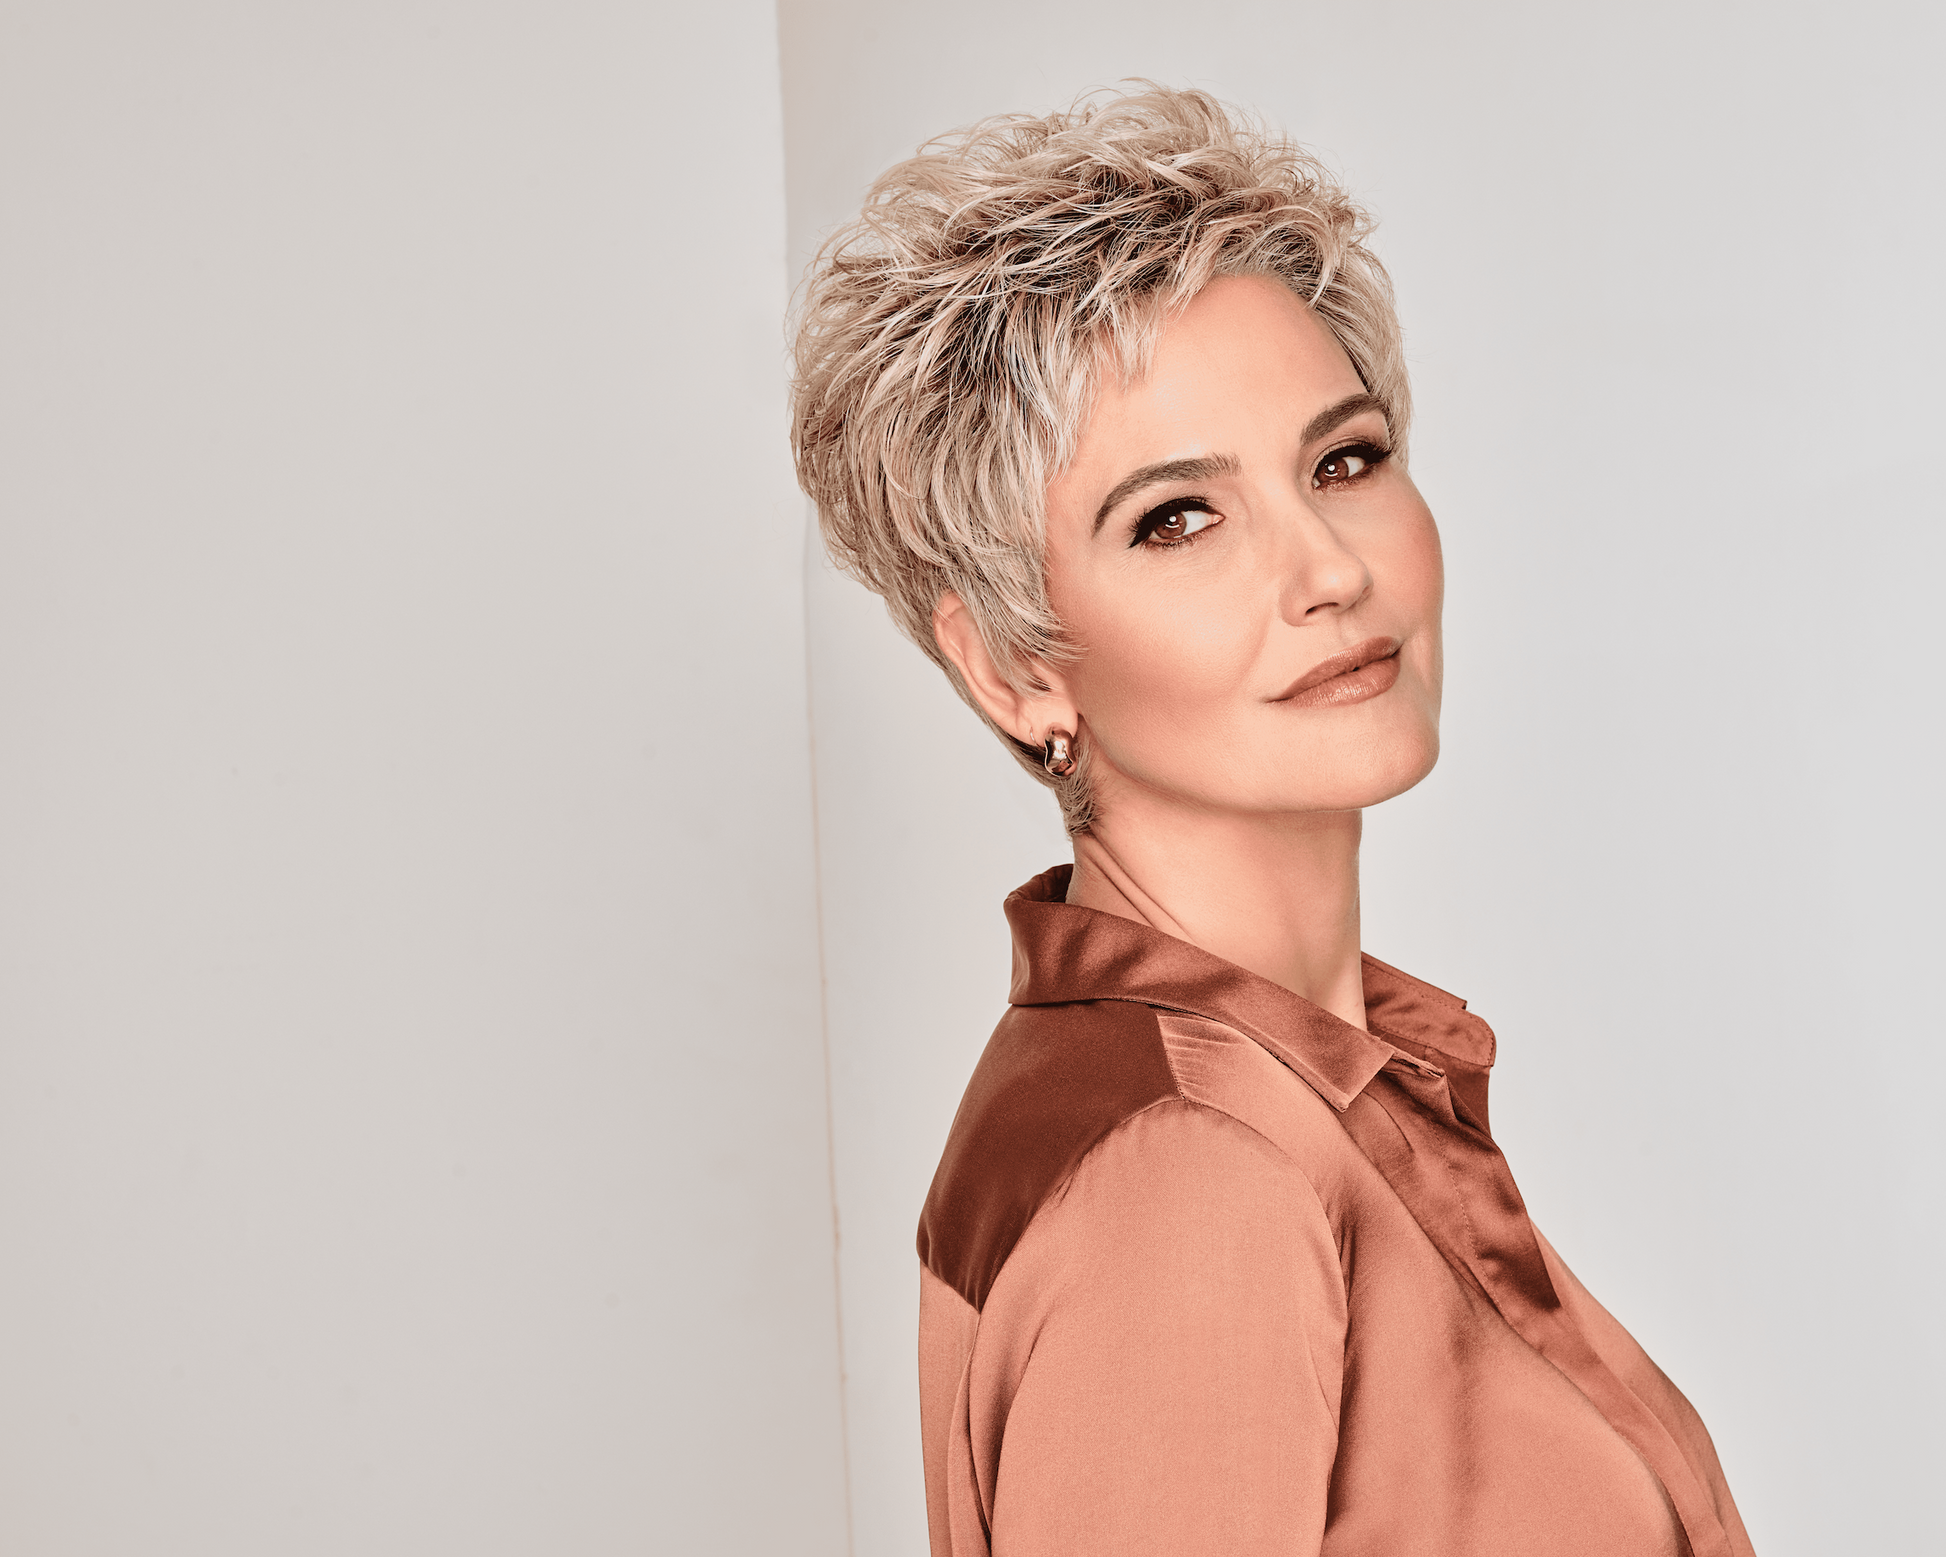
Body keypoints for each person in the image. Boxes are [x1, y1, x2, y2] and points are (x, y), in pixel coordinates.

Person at [790, 85, 1753, 1557]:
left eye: (1343, 461)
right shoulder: (1188, 1171)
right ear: (1013, 667)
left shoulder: (1293, 1088)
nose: (1327, 570)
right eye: (1176, 517)